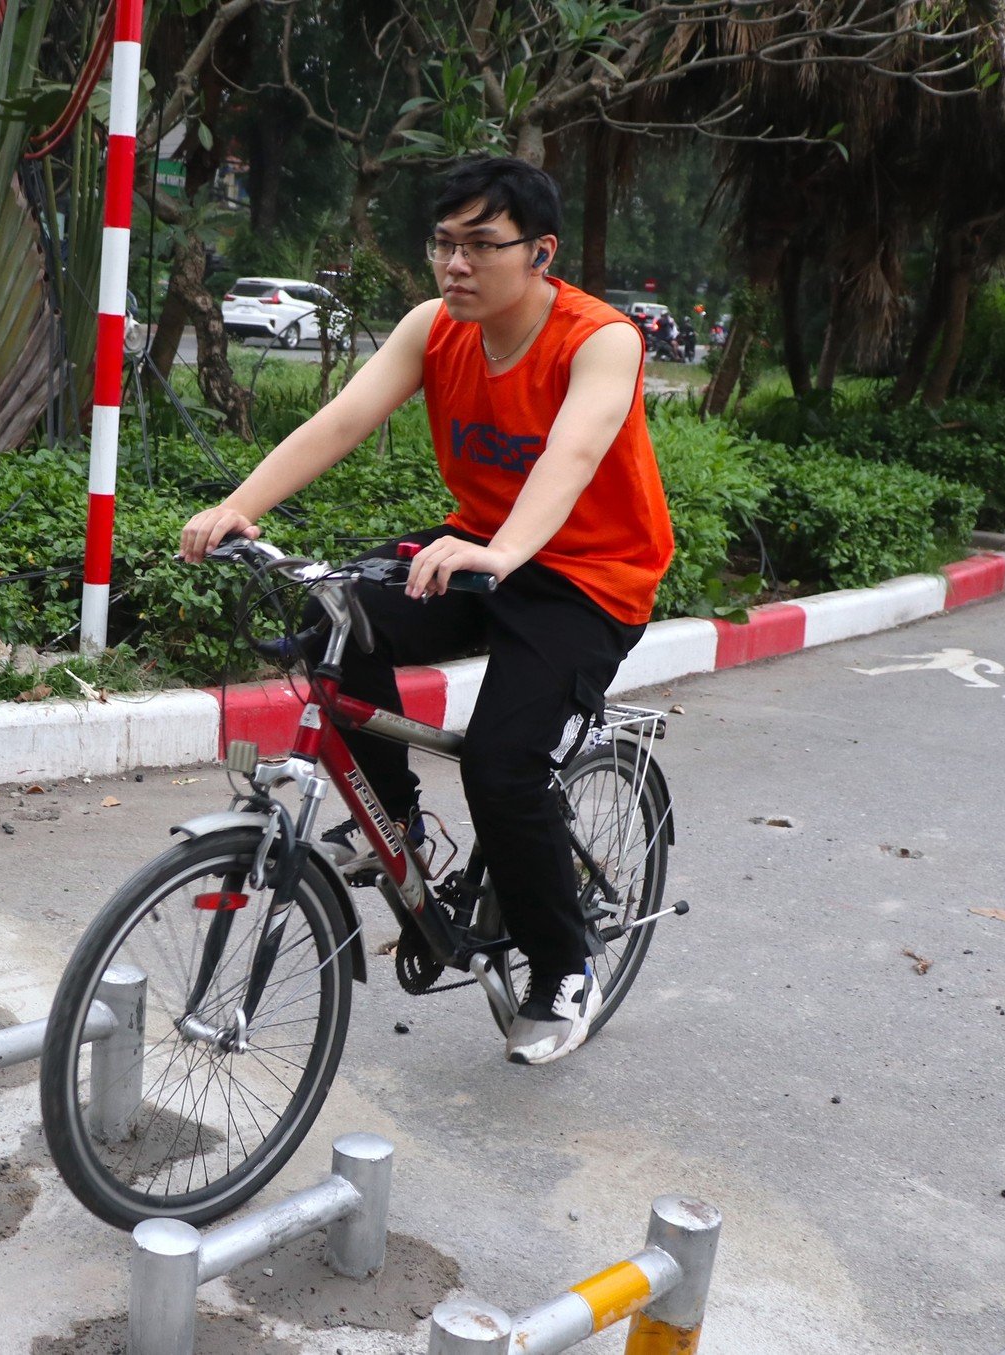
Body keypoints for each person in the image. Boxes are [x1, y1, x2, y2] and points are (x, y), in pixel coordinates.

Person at [179, 156, 673, 1066]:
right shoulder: (432, 328)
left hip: (587, 578)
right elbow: (339, 420)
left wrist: (501, 552)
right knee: (337, 617)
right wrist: (241, 504)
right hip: (477, 548)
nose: (456, 264)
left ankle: (565, 962)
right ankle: (394, 820)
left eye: (482, 245)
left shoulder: (598, 339)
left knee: (502, 763)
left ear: (540, 252)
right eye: (444, 243)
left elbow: (572, 453)